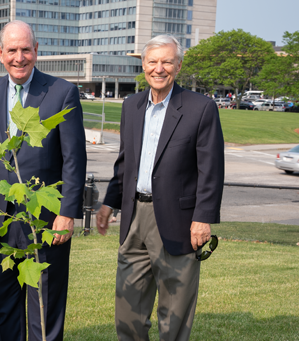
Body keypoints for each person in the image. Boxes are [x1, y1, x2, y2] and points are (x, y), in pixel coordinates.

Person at [96, 35, 225, 341]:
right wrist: (108, 203)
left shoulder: (201, 108)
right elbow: (125, 162)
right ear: (143, 65)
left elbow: (211, 169)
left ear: (178, 66)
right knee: (128, 311)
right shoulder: (131, 105)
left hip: (178, 221)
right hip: (133, 218)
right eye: (152, 61)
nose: (159, 68)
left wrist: (202, 217)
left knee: (174, 315)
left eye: (167, 61)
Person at [0, 20, 87, 341]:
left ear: (36, 51)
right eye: (12, 50)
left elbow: (74, 159)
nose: (19, 57)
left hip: (47, 222)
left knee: (45, 308)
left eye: (26, 50)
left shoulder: (62, 92)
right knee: (4, 309)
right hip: (0, 222)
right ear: (0, 53)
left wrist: (67, 213)